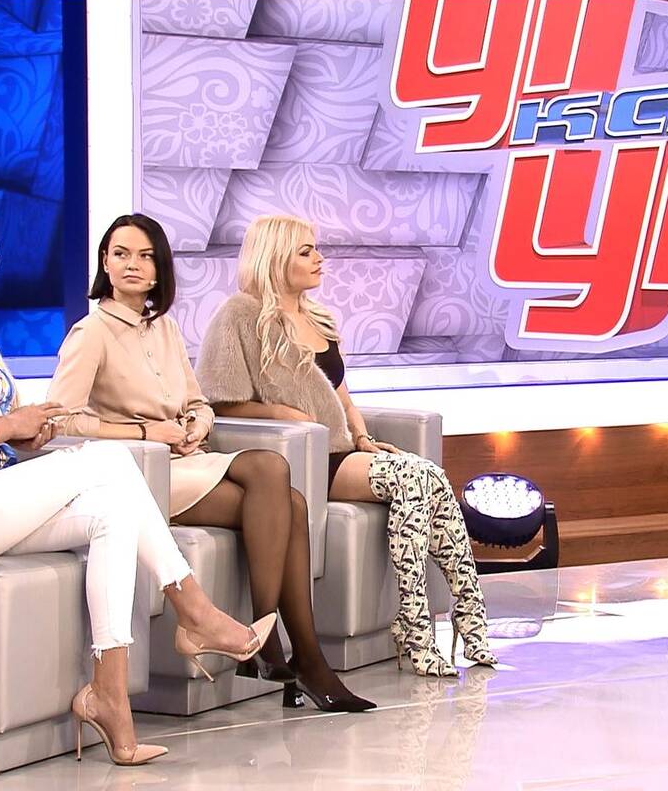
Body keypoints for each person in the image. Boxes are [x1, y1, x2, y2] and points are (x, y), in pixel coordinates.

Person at [0, 187, 276, 766]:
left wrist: (19, 434)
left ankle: (109, 695)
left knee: (113, 510)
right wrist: (5, 427)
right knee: (109, 460)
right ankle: (196, 613)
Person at [47, 213, 375, 713]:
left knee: (287, 497)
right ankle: (277, 645)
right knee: (272, 474)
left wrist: (196, 424)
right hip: (138, 472)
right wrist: (145, 432)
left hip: (186, 459)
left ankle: (289, 650)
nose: (133, 265)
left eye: (145, 256)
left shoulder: (165, 328)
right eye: (120, 254)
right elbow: (62, 420)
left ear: (159, 269)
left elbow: (200, 401)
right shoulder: (91, 332)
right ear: (105, 264)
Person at [197, 214, 497, 678]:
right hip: (296, 457)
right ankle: (418, 627)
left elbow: (343, 398)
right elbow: (221, 400)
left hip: (340, 450)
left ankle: (459, 615)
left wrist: (363, 438)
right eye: (306, 251)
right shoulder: (240, 315)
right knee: (415, 481)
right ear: (275, 257)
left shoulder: (319, 319)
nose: (319, 259)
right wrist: (281, 415)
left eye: (316, 249)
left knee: (428, 477)